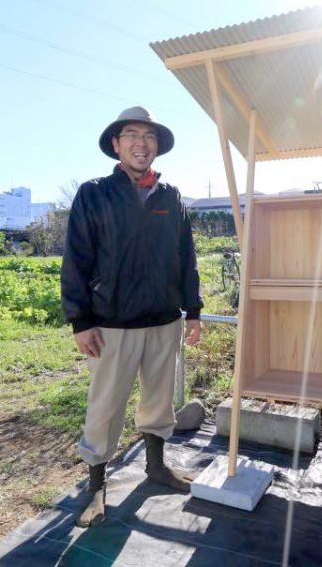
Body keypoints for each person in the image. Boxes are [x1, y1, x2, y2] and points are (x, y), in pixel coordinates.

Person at [61, 106, 203, 528]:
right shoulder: (95, 193)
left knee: (159, 400)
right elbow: (77, 259)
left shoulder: (169, 196)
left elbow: (186, 258)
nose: (142, 143)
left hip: (163, 320)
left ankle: (156, 467)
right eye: (133, 135)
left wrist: (192, 310)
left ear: (157, 147)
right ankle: (95, 486)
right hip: (111, 323)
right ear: (117, 145)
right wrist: (80, 320)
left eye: (150, 137)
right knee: (105, 405)